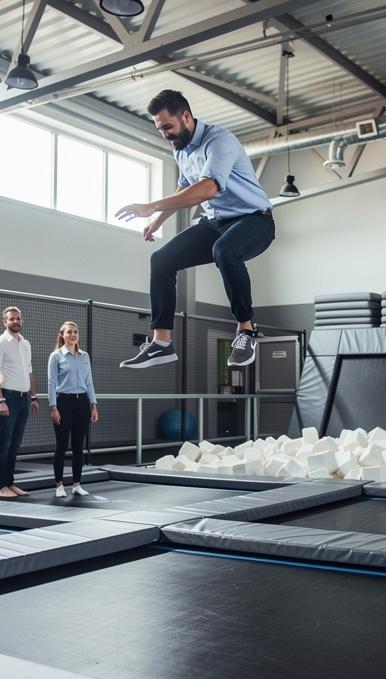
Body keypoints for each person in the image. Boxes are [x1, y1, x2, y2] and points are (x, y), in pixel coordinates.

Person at [114, 89, 274, 371]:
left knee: (224, 251)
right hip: (216, 223)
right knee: (161, 260)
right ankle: (162, 343)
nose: (165, 134)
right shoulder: (181, 148)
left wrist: (151, 206)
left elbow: (207, 188)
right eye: (160, 128)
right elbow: (185, 187)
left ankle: (246, 331)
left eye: (168, 127)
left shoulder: (219, 140)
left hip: (254, 219)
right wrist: (158, 221)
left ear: (186, 116)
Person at [0, 306, 37, 499]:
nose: (16, 321)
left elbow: (29, 372)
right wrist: (0, 400)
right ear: (4, 322)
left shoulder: (25, 344)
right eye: (11, 319)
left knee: (15, 444)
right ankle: (1, 487)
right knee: (4, 444)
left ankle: (10, 482)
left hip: (23, 399)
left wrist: (33, 397)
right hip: (7, 398)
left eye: (18, 318)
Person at [48, 321, 99, 498]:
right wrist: (53, 407)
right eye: (69, 332)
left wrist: (93, 405)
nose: (73, 335)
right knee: (62, 445)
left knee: (78, 446)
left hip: (82, 403)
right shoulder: (56, 356)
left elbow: (90, 382)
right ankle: (59, 485)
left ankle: (77, 484)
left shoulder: (85, 356)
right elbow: (52, 383)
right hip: (63, 402)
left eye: (75, 332)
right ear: (62, 335)